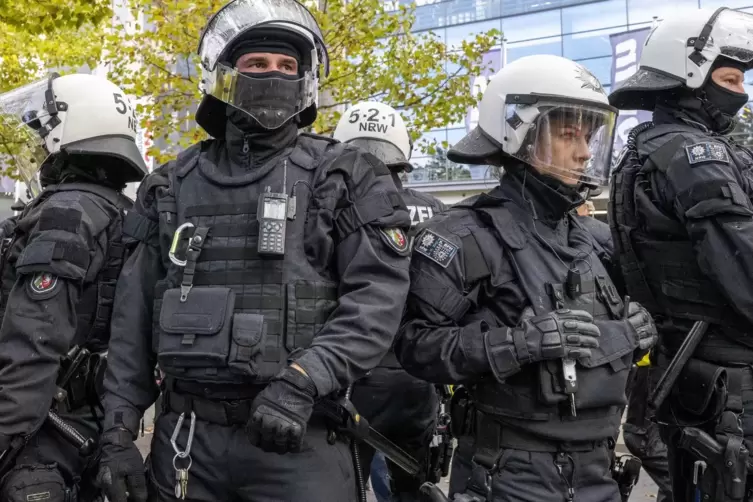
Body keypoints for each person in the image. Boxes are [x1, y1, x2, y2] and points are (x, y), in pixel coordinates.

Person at [95, 1, 412, 501]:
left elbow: (375, 302)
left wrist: (306, 380)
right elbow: (132, 320)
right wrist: (117, 432)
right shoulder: (169, 186)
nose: (274, 75)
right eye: (257, 64)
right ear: (225, 75)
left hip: (298, 438)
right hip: (187, 444)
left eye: (288, 66)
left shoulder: (345, 175)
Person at [395, 54, 658, 502]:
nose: (584, 152)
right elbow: (415, 345)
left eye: (589, 136)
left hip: (599, 474)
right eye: (567, 133)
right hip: (509, 476)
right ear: (520, 135)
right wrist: (517, 345)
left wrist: (634, 334)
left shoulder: (597, 242)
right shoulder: (464, 235)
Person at [608, 7, 753, 502]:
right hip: (730, 387)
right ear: (690, 72)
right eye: (730, 77)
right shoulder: (696, 159)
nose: (741, 91)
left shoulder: (647, 151)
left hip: (695, 377)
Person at [0, 73, 147, 501]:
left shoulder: (66, 214)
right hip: (87, 421)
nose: (36, 146)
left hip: (35, 430)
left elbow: (32, 346)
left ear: (71, 130)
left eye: (41, 133)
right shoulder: (122, 212)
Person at [333, 101, 447, 502]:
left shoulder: (330, 206)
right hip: (418, 375)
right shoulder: (435, 211)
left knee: (344, 484)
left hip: (351, 372)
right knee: (412, 490)